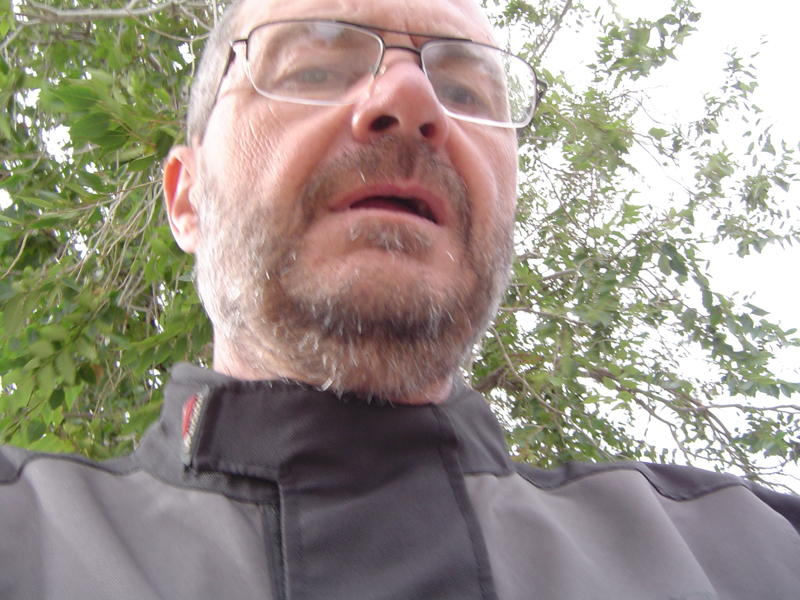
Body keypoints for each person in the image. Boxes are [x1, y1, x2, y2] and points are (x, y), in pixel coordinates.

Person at [1, 0, 798, 598]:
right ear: (187, 198)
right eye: (315, 69)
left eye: (466, 91)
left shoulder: (752, 553)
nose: (414, 100)